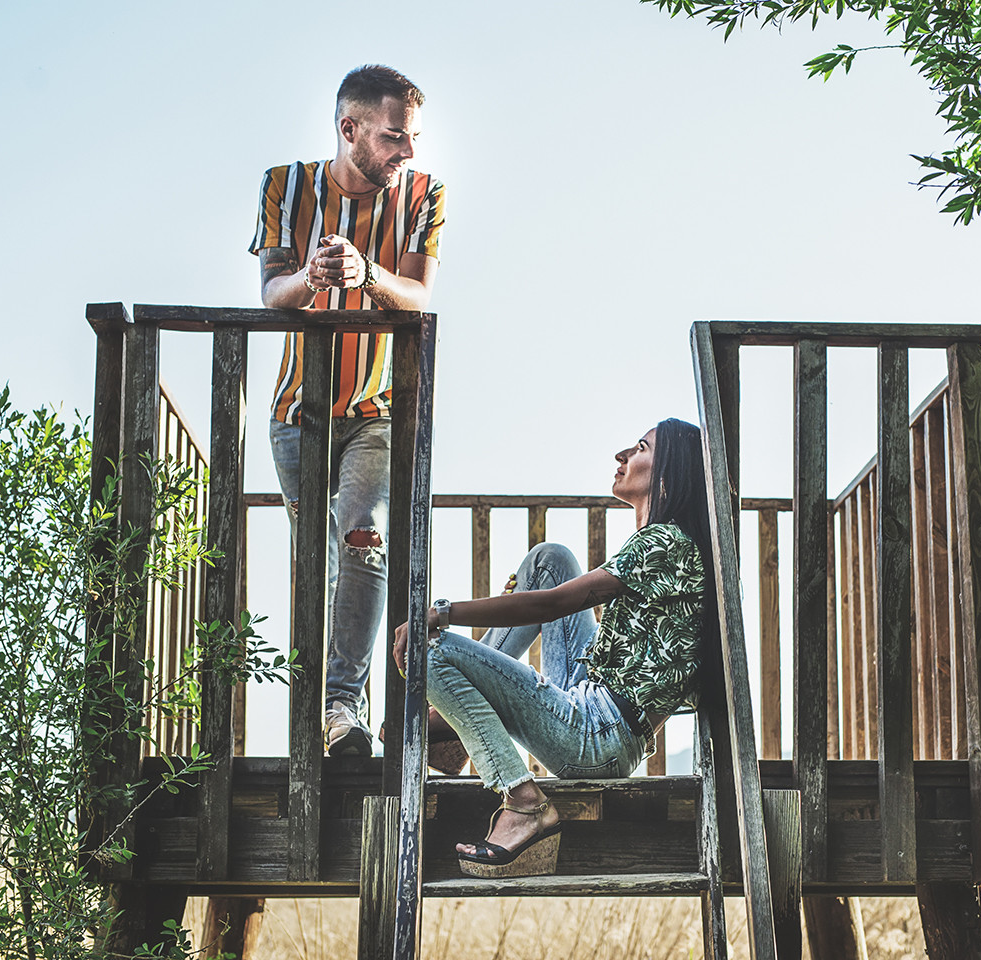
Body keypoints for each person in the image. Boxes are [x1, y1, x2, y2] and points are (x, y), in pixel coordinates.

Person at [392, 419, 717, 878]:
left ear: (667, 476)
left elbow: (555, 603)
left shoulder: (665, 543)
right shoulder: (667, 542)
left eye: (640, 448)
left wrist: (442, 612)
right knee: (551, 560)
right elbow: (556, 594)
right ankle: (450, 721)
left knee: (432, 652)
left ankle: (522, 801)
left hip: (598, 735)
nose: (622, 455)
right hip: (592, 701)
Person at [250, 64, 445, 756]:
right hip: (296, 413)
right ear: (350, 128)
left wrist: (368, 273)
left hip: (376, 409)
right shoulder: (285, 186)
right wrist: (313, 276)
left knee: (364, 539)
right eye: (394, 137)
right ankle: (327, 713)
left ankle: (340, 708)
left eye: (412, 137)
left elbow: (418, 295)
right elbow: (271, 291)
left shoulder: (424, 195)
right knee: (319, 559)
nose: (407, 151)